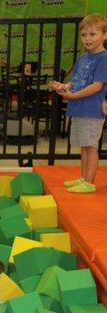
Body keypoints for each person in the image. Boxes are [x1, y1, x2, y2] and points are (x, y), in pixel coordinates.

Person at [49, 13, 107, 194]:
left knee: (91, 146)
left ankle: (89, 182)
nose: (87, 39)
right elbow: (76, 82)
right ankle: (83, 178)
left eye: (93, 34)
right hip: (79, 108)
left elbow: (97, 86)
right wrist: (63, 87)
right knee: (84, 145)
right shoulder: (82, 58)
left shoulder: (104, 58)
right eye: (84, 35)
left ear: (105, 35)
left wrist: (73, 96)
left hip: (92, 109)